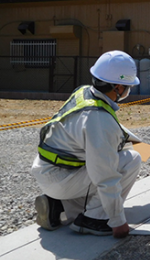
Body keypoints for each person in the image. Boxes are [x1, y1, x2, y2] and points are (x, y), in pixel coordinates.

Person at [31, 50, 142, 238]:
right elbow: (105, 176)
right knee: (131, 160)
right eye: (127, 86)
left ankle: (58, 207)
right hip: (60, 178)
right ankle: (94, 220)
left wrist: (135, 140)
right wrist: (118, 221)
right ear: (117, 87)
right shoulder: (98, 119)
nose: (128, 90)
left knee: (104, 169)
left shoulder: (85, 93)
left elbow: (110, 128)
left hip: (50, 170)